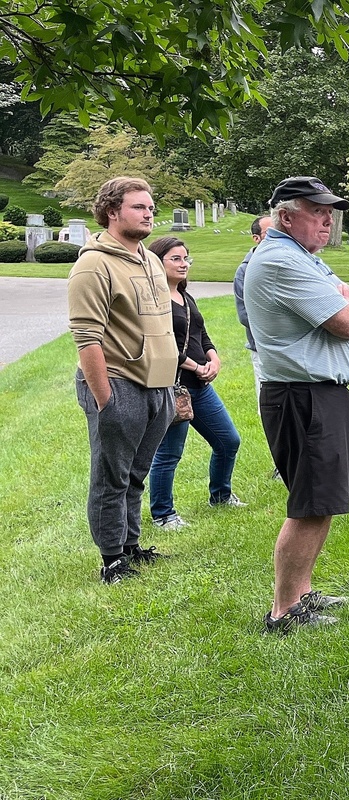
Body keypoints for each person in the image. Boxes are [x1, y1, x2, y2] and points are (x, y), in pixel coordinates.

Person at [244, 176, 349, 634]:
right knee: (309, 505)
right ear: (285, 216)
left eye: (329, 211)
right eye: (317, 211)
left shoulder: (304, 258)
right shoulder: (282, 261)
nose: (328, 219)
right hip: (303, 396)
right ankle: (283, 612)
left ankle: (301, 593)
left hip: (318, 394)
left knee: (322, 501)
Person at [68, 177, 179, 583]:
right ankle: (112, 560)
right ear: (112, 212)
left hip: (159, 386)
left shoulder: (150, 259)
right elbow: (86, 336)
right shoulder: (93, 264)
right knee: (111, 477)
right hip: (119, 384)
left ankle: (131, 545)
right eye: (139, 207)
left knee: (136, 474)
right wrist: (105, 399)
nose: (149, 213)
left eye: (151, 207)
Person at [146, 236, 245, 531]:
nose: (183, 263)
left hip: (200, 387)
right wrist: (195, 366)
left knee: (228, 440)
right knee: (168, 453)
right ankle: (163, 514)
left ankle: (221, 495)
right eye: (175, 258)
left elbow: (201, 335)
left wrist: (214, 359)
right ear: (156, 262)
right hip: (172, 386)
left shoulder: (185, 297)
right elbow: (159, 345)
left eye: (186, 258)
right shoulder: (154, 301)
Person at [233, 214, 275, 398]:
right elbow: (246, 316)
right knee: (270, 404)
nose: (277, 236)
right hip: (264, 349)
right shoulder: (245, 271)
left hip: (295, 351)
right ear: (256, 238)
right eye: (270, 232)